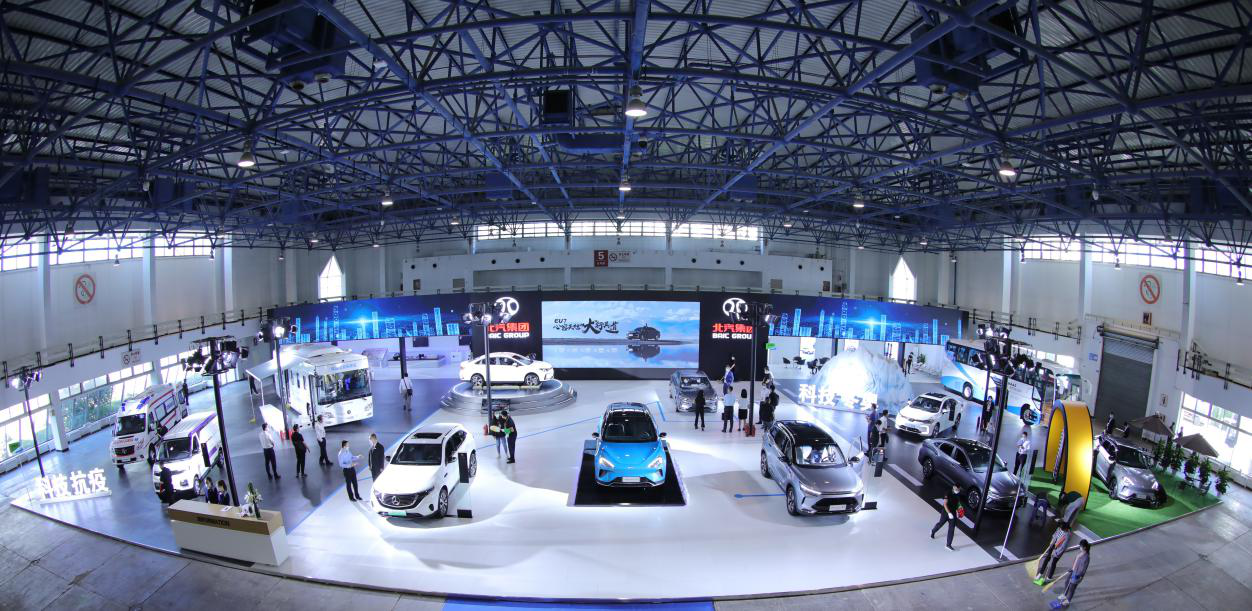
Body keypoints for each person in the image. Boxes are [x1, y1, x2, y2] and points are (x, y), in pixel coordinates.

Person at [1058, 539, 1089, 607]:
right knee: (1067, 582)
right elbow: (1075, 562)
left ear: (1085, 547)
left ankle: (1068, 601)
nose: (1080, 547)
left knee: (1072, 588)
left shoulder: (1086, 557)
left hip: (1077, 575)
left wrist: (1078, 575)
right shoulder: (1080, 553)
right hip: (1073, 571)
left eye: (1081, 546)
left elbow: (1083, 569)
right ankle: (1065, 594)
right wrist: (1071, 568)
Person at [930, 483, 962, 550]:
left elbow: (957, 503)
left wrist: (959, 510)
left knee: (952, 528)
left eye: (958, 489)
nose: (957, 490)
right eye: (956, 489)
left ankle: (948, 545)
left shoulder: (958, 494)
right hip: (946, 512)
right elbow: (945, 504)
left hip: (953, 512)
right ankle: (933, 531)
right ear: (954, 487)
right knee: (940, 524)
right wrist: (949, 513)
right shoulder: (948, 493)